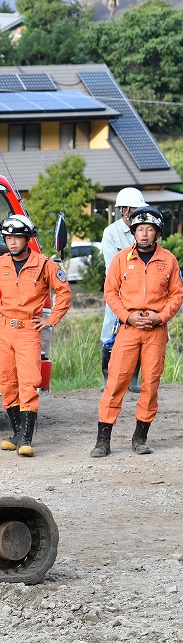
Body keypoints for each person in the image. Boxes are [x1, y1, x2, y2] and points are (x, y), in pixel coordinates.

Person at [91, 206, 182, 457]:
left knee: (150, 383)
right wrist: (127, 315)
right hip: (128, 329)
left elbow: (176, 294)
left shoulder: (169, 260)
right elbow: (110, 292)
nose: (144, 234)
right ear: (133, 232)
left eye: (149, 229)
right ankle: (103, 440)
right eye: (140, 229)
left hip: (156, 331)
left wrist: (161, 316)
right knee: (116, 381)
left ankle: (140, 438)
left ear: (157, 233)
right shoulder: (121, 258)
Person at [0, 214, 71, 458]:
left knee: (29, 381)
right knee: (4, 380)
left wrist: (50, 320)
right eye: (8, 237)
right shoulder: (0, 263)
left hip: (28, 331)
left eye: (17, 237)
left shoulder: (44, 264)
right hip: (4, 330)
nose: (12, 242)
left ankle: (27, 439)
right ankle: (17, 434)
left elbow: (64, 292)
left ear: (27, 239)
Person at [98, 187, 146, 390]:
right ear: (124, 210)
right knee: (110, 333)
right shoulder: (111, 233)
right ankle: (108, 377)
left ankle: (133, 378)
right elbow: (112, 268)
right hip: (117, 292)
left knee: (141, 332)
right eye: (134, 209)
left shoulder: (145, 229)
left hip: (142, 293)